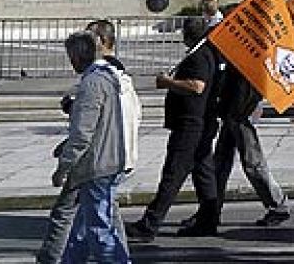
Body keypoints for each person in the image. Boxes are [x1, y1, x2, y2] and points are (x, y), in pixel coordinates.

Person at [40, 20, 137, 264]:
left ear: (76, 57)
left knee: (100, 232)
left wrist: (63, 168)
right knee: (84, 230)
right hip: (113, 159)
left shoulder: (92, 83)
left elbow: (83, 134)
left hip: (97, 165)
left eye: (70, 57)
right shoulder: (113, 77)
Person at [126, 18, 219, 242]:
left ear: (187, 35)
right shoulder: (205, 53)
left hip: (190, 126)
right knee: (203, 173)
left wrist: (167, 82)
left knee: (173, 174)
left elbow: (197, 86)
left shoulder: (199, 56)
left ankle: (150, 224)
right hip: (199, 123)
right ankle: (208, 220)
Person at [204, 53, 292, 229]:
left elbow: (249, 84)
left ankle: (278, 205)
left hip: (241, 112)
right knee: (221, 163)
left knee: (252, 163)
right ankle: (210, 210)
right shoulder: (239, 52)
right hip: (234, 111)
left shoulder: (250, 55)